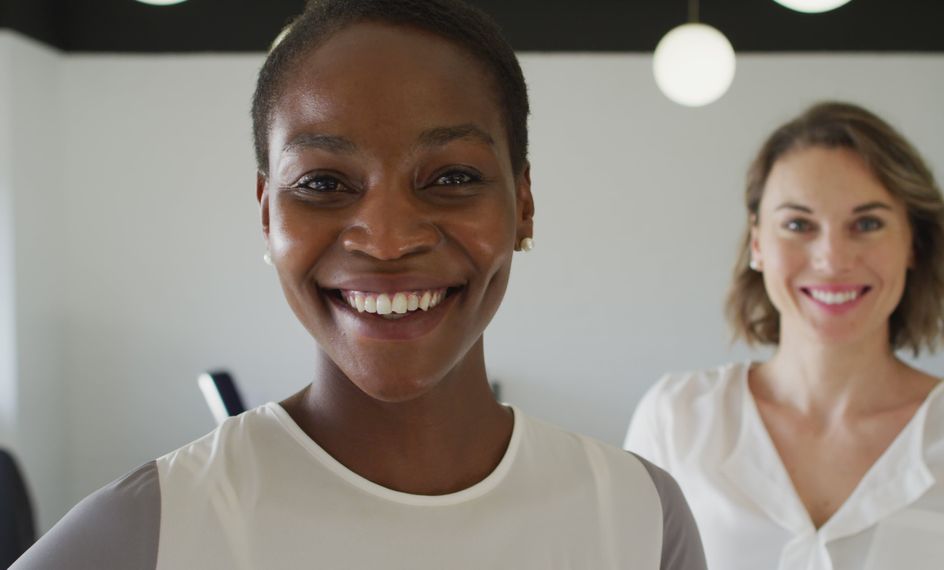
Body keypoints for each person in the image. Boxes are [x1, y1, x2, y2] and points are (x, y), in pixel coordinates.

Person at [15, 1, 705, 568]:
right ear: (266, 216)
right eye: (322, 183)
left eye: (452, 178)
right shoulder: (155, 529)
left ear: (523, 203)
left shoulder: (638, 516)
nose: (386, 237)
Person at [625, 101, 944, 570]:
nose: (832, 258)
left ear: (913, 243)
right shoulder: (676, 421)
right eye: (798, 224)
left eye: (867, 224)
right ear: (758, 243)